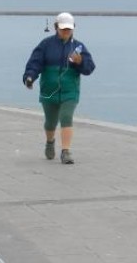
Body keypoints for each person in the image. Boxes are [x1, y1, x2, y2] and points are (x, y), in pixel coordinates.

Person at [23, 12, 95, 164]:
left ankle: (66, 151)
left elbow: (89, 68)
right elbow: (35, 63)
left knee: (66, 117)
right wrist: (29, 77)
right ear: (56, 27)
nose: (66, 32)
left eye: (69, 29)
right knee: (50, 122)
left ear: (74, 28)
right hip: (49, 90)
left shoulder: (79, 47)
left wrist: (80, 61)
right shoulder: (46, 44)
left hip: (70, 91)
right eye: (63, 29)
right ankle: (50, 141)